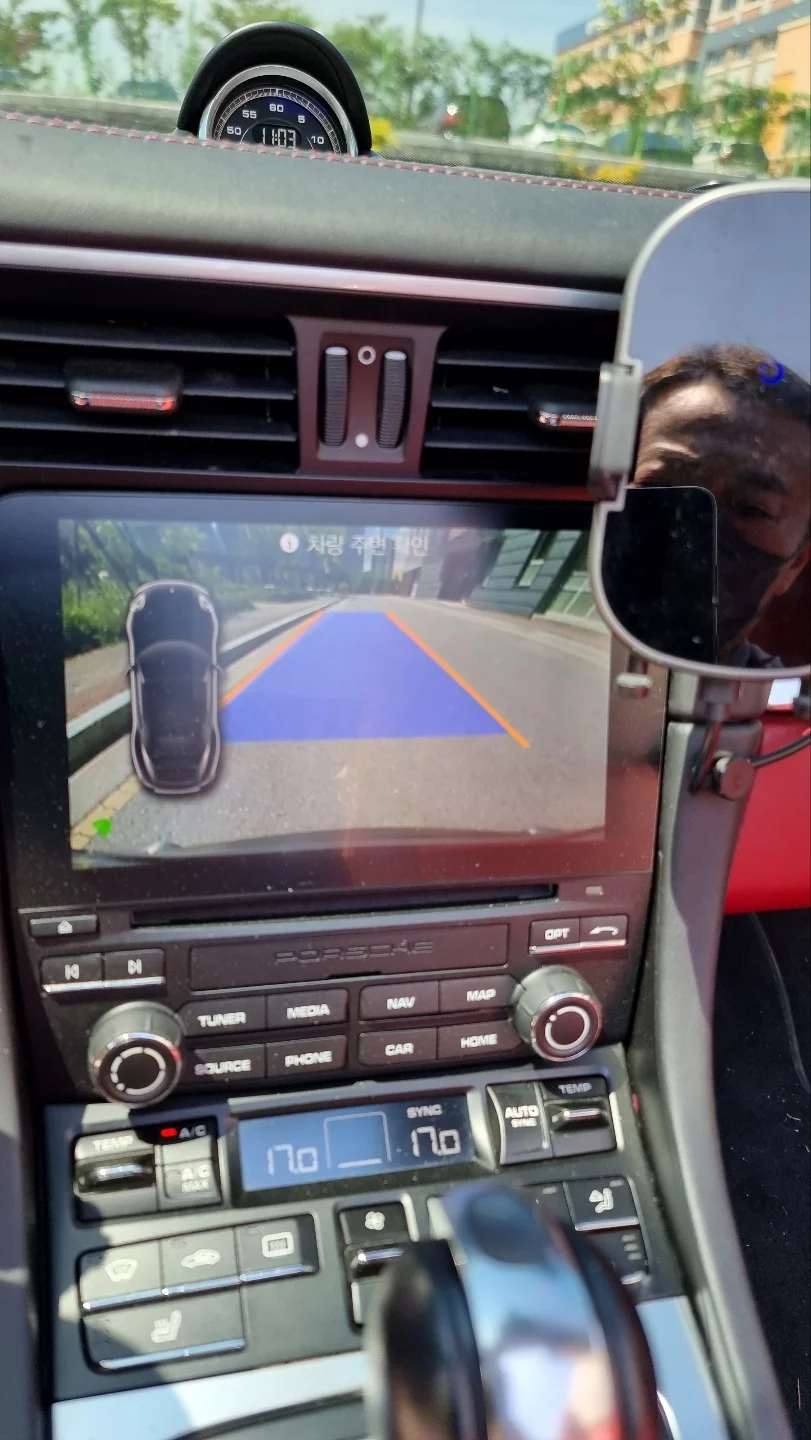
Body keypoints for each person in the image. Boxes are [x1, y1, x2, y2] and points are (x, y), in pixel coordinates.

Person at [633, 344, 811, 666]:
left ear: (796, 564)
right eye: (661, 485)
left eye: (749, 508)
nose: (693, 531)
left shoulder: (782, 696)